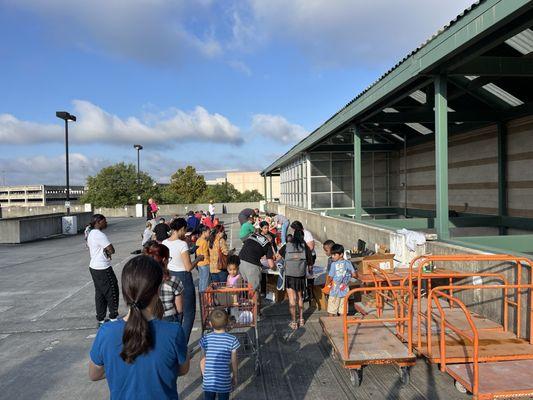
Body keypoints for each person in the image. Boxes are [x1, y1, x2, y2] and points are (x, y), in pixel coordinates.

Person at [89, 255, 190, 399]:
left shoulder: (106, 332)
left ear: (124, 291)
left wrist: (118, 370)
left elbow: (94, 374)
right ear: (157, 290)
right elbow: (183, 369)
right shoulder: (173, 332)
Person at [163, 218, 204, 344]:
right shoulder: (182, 244)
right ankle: (183, 344)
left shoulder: (165, 242)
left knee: (176, 312)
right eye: (185, 230)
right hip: (183, 278)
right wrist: (199, 259)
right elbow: (188, 267)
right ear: (181, 229)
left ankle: (173, 342)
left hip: (169, 276)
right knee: (188, 314)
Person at [87, 214, 119, 328]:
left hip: (94, 267)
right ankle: (113, 317)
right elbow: (112, 249)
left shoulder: (91, 233)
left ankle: (100, 319)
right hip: (103, 267)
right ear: (98, 222)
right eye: (104, 221)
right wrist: (108, 251)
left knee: (100, 293)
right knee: (112, 291)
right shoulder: (99, 234)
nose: (106, 223)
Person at [200, 309, 240, 400]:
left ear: (210, 324)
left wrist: (205, 375)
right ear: (227, 323)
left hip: (209, 381)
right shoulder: (232, 339)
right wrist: (235, 376)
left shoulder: (205, 338)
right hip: (224, 380)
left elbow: (203, 360)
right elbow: (234, 361)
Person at [278, 229, 313, 330]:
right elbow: (310, 266)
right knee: (300, 297)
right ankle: (301, 319)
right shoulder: (305, 247)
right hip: (301, 276)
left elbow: (278, 257)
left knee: (292, 299)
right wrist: (309, 272)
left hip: (289, 276)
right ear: (302, 237)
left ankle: (294, 322)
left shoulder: (287, 246)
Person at [144, 241, 184, 323]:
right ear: (164, 259)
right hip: (169, 318)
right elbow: (179, 309)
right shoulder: (173, 280)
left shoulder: (144, 280)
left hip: (150, 318)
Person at [238, 232, 275, 312]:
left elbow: (250, 248)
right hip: (252, 265)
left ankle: (244, 310)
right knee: (254, 291)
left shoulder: (253, 235)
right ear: (270, 240)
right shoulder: (267, 244)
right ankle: (256, 314)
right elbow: (271, 265)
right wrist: (275, 268)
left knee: (244, 288)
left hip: (240, 261)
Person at [327, 244, 357, 317]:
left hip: (334, 290)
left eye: (334, 255)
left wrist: (328, 285)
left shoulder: (333, 264)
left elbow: (330, 277)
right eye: (332, 255)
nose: (332, 256)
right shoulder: (348, 263)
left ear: (341, 254)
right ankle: (342, 325)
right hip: (345, 289)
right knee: (343, 310)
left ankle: (331, 325)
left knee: (332, 310)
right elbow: (354, 275)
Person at [196, 225, 212, 293]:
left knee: (201, 280)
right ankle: (204, 297)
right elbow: (206, 254)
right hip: (205, 263)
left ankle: (201, 296)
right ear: (204, 232)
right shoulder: (204, 242)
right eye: (208, 232)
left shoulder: (198, 240)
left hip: (199, 263)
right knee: (205, 282)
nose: (209, 234)